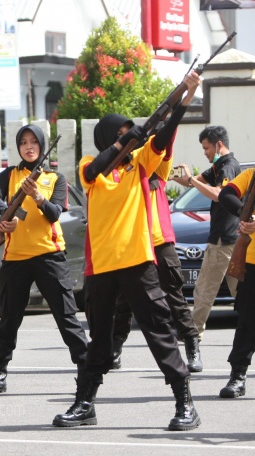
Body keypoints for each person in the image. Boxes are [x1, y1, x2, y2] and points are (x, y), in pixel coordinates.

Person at [53, 71, 201, 431]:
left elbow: (163, 137)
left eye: (129, 133)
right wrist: (124, 141)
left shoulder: (140, 163)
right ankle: (85, 404)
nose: (128, 138)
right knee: (99, 339)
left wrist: (184, 98)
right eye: (119, 133)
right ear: (107, 137)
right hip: (101, 266)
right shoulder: (90, 166)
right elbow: (97, 168)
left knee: (159, 332)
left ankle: (185, 403)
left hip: (138, 261)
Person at [0, 124, 89, 395]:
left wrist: (37, 196)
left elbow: (54, 213)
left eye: (34, 142)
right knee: (8, 320)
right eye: (23, 142)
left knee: (67, 317)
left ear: (41, 146)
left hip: (49, 255)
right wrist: (7, 212)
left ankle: (87, 372)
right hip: (15, 258)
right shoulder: (10, 175)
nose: (29, 147)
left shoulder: (55, 178)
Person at [111, 125, 202, 373]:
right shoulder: (124, 172)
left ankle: (192, 346)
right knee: (123, 300)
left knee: (174, 297)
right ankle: (114, 349)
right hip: (133, 244)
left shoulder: (159, 169)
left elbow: (165, 143)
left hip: (160, 242)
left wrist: (172, 116)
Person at [172, 126, 240, 340]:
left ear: (219, 145)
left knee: (203, 290)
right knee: (241, 292)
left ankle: (193, 333)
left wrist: (191, 180)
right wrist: (173, 175)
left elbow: (219, 194)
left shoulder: (228, 167)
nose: (204, 153)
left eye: (206, 148)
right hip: (231, 239)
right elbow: (193, 182)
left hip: (223, 240)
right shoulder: (219, 167)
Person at [217, 166, 255, 398]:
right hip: (251, 262)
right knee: (247, 321)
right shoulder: (251, 175)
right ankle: (237, 376)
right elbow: (226, 194)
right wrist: (245, 213)